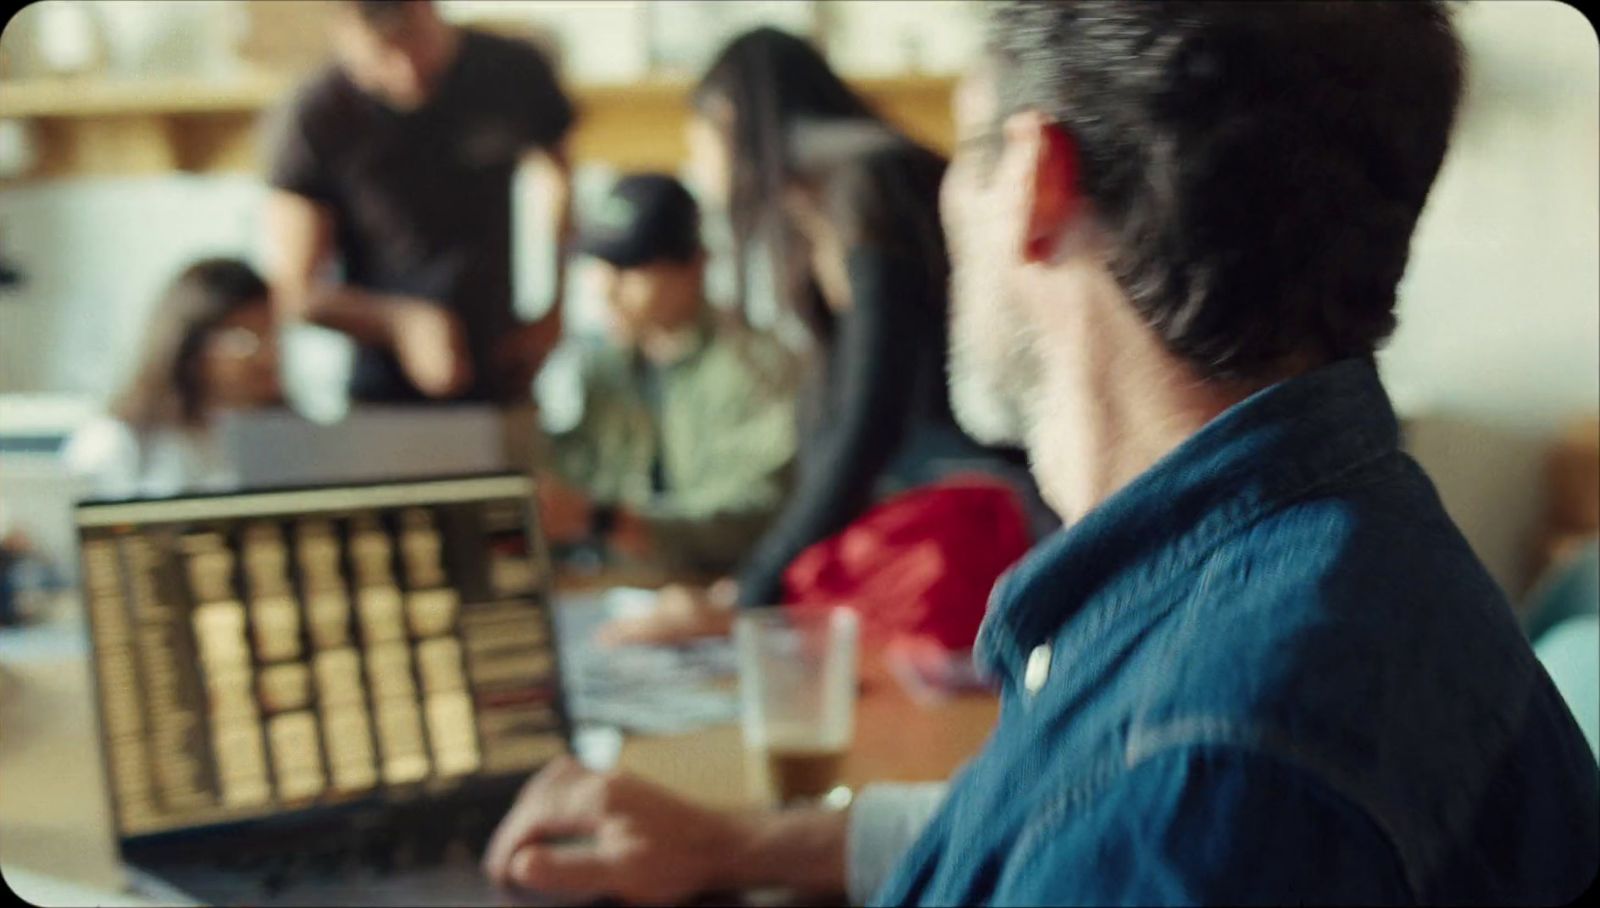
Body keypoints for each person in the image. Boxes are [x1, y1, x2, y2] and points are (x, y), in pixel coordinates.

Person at [481, 3, 1600, 904]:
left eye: (959, 156)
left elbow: (1119, 817)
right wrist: (740, 843)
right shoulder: (1331, 548)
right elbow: (1039, 811)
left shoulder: (1197, 777)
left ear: (1036, 180)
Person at [604, 27, 1041, 644]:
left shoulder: (870, 183)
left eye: (695, 137)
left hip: (980, 524)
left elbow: (870, 418)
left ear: (727, 118)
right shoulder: (824, 211)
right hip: (941, 516)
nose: (698, 165)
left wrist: (749, 595)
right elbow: (834, 425)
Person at [263, 0, 574, 405]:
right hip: (382, 391)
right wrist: (399, 324)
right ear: (344, 37)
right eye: (383, 53)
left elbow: (560, 183)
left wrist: (555, 311)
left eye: (416, 42)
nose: (407, 71)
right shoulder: (316, 116)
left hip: (503, 365)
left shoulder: (512, 72)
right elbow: (295, 292)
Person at [534, 173, 796, 576]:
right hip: (622, 594)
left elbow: (758, 520)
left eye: (630, 268)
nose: (606, 290)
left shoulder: (755, 366)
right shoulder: (607, 367)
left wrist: (606, 521)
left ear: (694, 266)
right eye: (600, 266)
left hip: (727, 598)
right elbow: (575, 474)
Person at [65, 258, 282, 499]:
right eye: (245, 336)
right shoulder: (115, 442)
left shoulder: (284, 440)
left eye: (271, 335)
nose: (267, 355)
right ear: (191, 341)